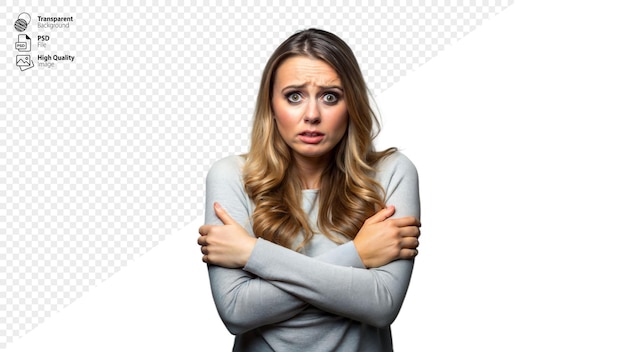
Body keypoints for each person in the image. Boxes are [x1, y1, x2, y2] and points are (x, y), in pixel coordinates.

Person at [197, 28, 421, 352]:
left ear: (352, 103)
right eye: (294, 96)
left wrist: (252, 255)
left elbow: (382, 304)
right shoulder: (231, 176)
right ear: (271, 106)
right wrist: (357, 257)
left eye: (330, 96)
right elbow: (236, 311)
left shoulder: (391, 173)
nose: (312, 115)